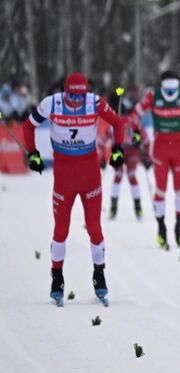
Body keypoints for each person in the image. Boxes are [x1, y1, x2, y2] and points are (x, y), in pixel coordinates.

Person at [22, 72, 126, 306]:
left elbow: (118, 123)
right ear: (64, 92)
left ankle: (99, 274)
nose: (77, 101)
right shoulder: (52, 103)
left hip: (89, 174)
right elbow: (28, 126)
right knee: (61, 229)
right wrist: (33, 154)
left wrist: (118, 149)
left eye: (80, 96)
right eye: (72, 96)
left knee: (94, 227)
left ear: (85, 92)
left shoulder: (94, 102)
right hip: (64, 175)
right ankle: (57, 277)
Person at [130, 70, 180, 251]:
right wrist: (136, 133)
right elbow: (134, 115)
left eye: (172, 90)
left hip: (179, 148)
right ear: (161, 86)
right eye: (167, 90)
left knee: (179, 189)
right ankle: (161, 227)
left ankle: (179, 226)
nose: (169, 94)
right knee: (160, 189)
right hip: (160, 148)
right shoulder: (152, 96)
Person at [98, 89, 151, 220]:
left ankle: (138, 207)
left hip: (132, 150)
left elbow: (145, 138)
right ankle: (113, 208)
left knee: (131, 175)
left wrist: (147, 156)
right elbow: (101, 141)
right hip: (119, 150)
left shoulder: (133, 120)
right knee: (118, 175)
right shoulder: (114, 122)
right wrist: (102, 159)